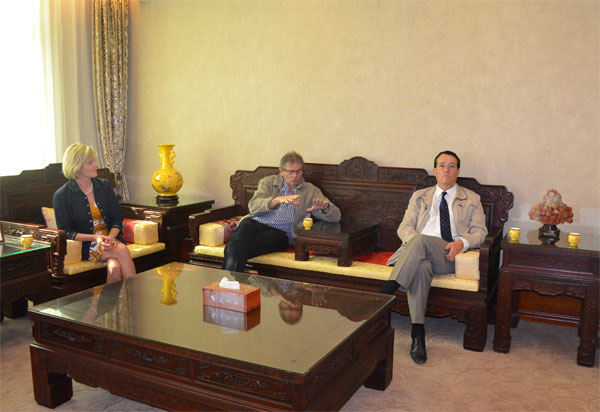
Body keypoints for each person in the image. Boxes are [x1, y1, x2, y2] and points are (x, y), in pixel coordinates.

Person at [379, 150, 487, 364]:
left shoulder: (472, 198)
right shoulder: (420, 196)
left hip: (448, 255)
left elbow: (480, 232)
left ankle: (388, 290)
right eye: (442, 165)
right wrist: (417, 246)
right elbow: (404, 227)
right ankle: (417, 335)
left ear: (458, 171)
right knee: (421, 265)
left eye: (452, 166)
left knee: (422, 241)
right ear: (435, 170)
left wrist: (461, 243)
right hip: (418, 254)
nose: (447, 169)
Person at [223, 151, 341, 273]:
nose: (295, 175)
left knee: (233, 247)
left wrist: (325, 208)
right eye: (291, 171)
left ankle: (227, 280)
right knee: (245, 228)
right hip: (254, 222)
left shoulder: (310, 190)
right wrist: (276, 200)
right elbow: (253, 206)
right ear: (281, 171)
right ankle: (233, 279)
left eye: (299, 171)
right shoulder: (268, 182)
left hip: (279, 233)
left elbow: (336, 216)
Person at [53, 143, 136, 283]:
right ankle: (136, 294)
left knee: (115, 268)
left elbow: (117, 217)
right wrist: (95, 238)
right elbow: (66, 231)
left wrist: (110, 237)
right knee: (122, 251)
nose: (96, 165)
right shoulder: (62, 195)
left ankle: (109, 299)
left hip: (112, 240)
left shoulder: (104, 186)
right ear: (77, 166)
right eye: (90, 162)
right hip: (87, 245)